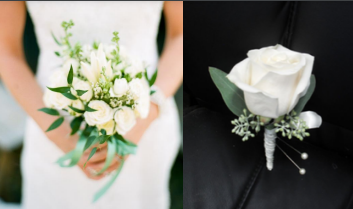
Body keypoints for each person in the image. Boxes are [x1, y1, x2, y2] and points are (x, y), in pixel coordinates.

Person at [0, 1, 183, 208]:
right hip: (52, 129)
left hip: (143, 128)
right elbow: (6, 52)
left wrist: (146, 114)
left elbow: (181, 34)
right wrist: (63, 137)